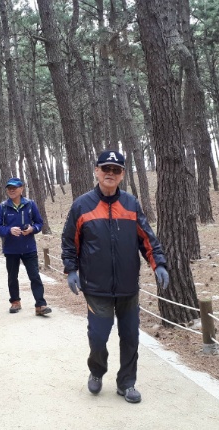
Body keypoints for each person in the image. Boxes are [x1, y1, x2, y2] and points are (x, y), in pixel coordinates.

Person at [61, 150, 169, 404]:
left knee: (130, 337)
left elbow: (147, 238)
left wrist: (158, 264)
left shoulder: (131, 204)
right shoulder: (81, 205)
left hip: (128, 286)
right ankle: (97, 371)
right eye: (105, 168)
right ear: (96, 171)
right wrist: (71, 270)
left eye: (116, 170)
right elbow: (69, 242)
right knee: (98, 337)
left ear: (122, 175)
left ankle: (127, 383)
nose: (110, 173)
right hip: (95, 287)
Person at [0, 177, 52, 316]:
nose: (11, 190)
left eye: (14, 188)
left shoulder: (30, 205)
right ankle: (15, 302)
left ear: (21, 189)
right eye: (9, 188)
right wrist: (9, 230)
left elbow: (39, 223)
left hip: (28, 248)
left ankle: (40, 305)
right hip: (11, 249)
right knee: (12, 277)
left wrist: (32, 229)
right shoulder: (2, 207)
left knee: (35, 276)